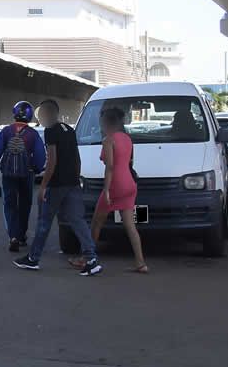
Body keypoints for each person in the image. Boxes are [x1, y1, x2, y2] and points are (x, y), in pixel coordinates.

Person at [14, 101, 102, 276]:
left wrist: (44, 186)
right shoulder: (68, 130)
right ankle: (91, 258)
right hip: (72, 182)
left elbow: (52, 160)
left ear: (49, 114)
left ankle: (33, 258)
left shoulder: (50, 131)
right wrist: (76, 178)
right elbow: (77, 158)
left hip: (57, 184)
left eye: (41, 114)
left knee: (44, 221)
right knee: (77, 220)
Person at [0, 101, 47, 252]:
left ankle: (13, 236)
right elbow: (40, 156)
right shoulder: (33, 134)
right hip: (26, 174)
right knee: (25, 205)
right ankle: (21, 235)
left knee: (9, 205)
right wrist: (36, 169)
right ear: (30, 116)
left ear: (14, 113)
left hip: (8, 174)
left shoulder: (6, 132)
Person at [91, 106, 147, 274]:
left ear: (107, 123)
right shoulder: (127, 138)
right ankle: (140, 262)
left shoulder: (108, 140)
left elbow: (110, 167)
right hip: (130, 184)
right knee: (130, 226)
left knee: (96, 223)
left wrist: (107, 190)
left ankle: (88, 257)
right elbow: (128, 162)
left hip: (116, 184)